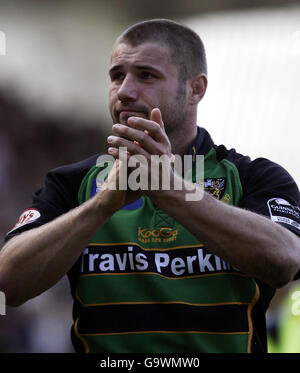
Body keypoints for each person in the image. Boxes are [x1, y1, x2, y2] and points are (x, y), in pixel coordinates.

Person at [0, 19, 300, 353]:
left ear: (195, 89)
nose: (125, 91)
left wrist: (170, 191)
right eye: (117, 76)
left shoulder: (253, 176)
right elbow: (8, 284)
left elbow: (286, 260)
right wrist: (101, 206)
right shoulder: (74, 183)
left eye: (146, 75)